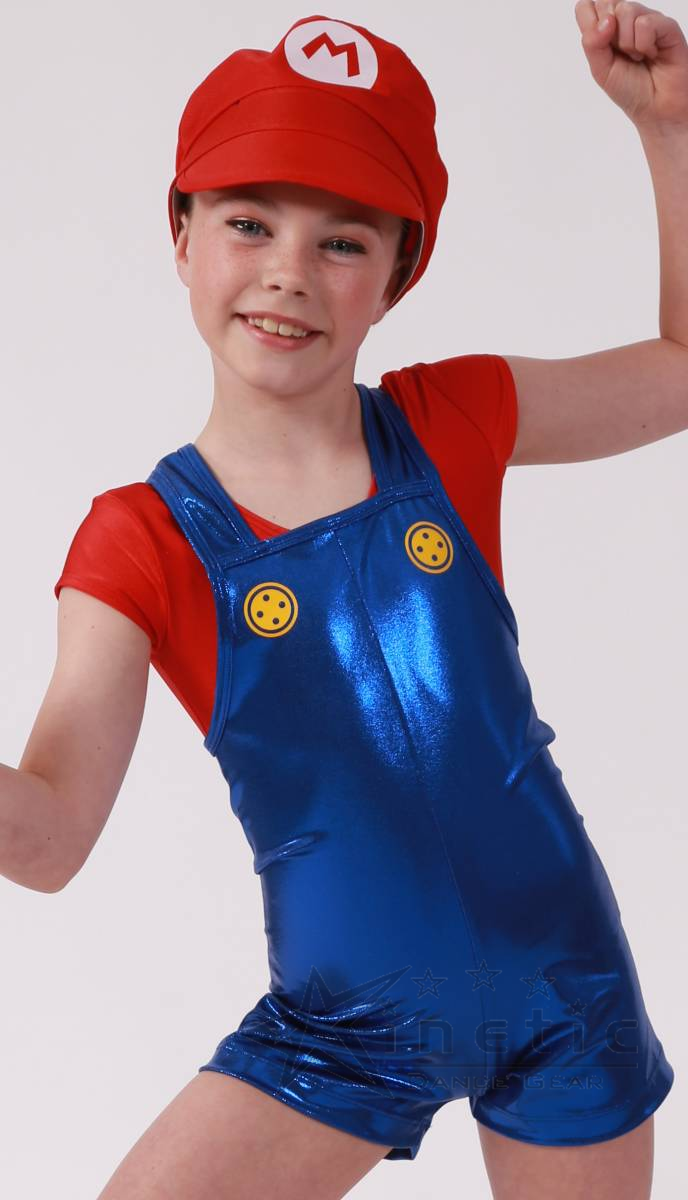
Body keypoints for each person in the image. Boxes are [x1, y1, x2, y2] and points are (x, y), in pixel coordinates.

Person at [4, 6, 687, 1198]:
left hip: (566, 985)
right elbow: (53, 836)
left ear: (396, 275)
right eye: (248, 222)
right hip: (344, 1028)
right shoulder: (142, 542)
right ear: (180, 233)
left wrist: (669, 133)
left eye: (342, 241)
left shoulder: (452, 421)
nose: (287, 271)